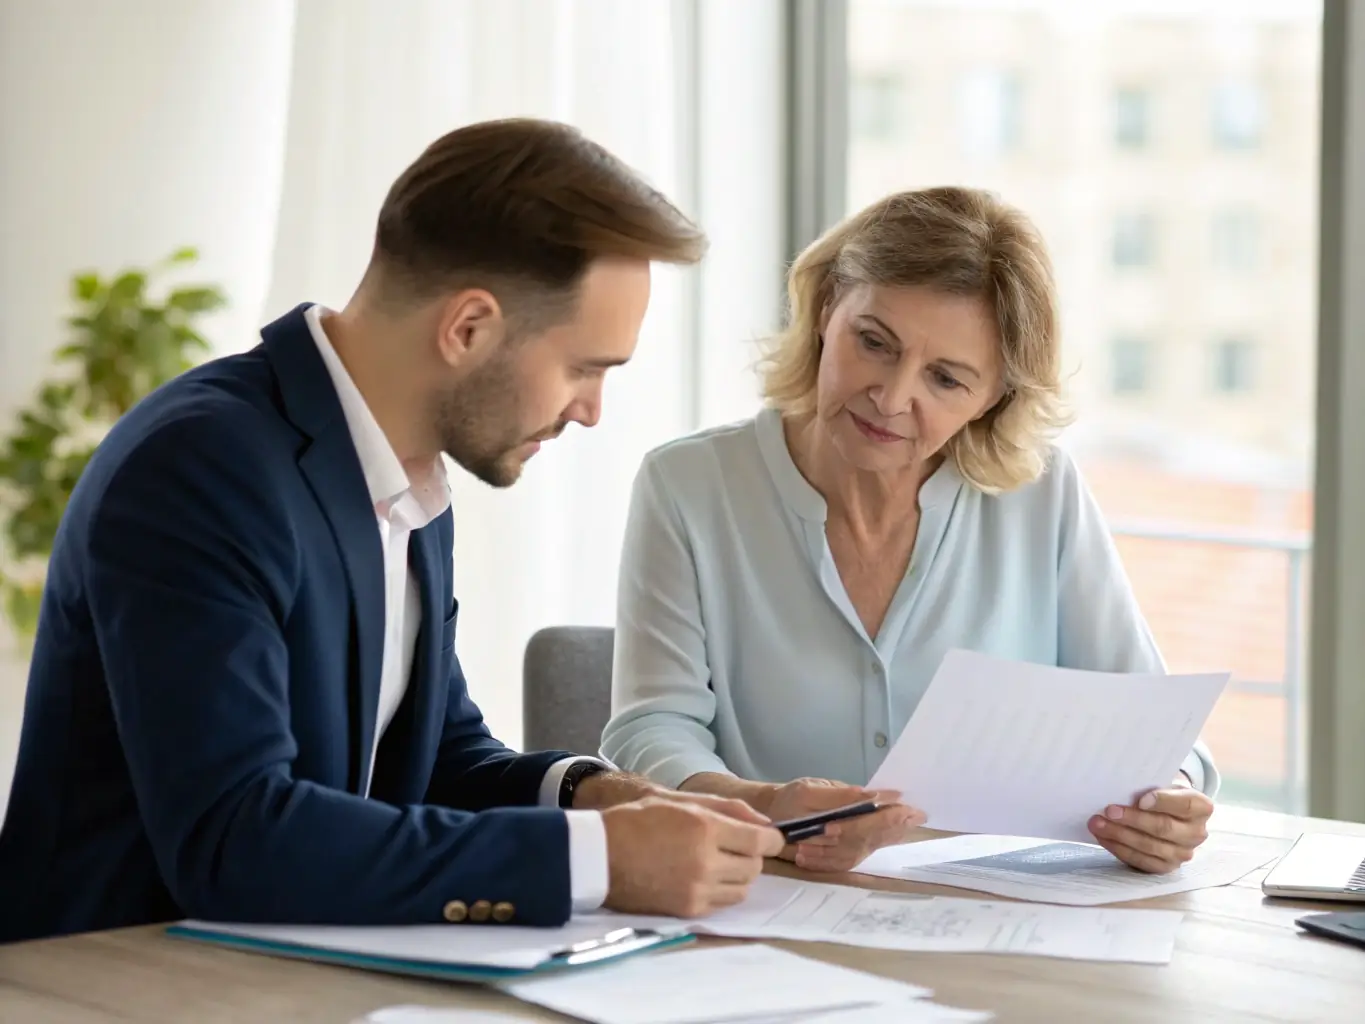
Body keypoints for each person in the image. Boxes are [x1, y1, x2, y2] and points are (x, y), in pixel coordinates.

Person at [0, 118, 784, 945]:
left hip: (301, 966)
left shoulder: (404, 474)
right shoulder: (200, 470)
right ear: (468, 328)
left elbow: (435, 759)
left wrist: (596, 798)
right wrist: (593, 861)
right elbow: (233, 837)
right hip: (118, 978)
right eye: (585, 367)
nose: (590, 410)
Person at [602, 186, 1218, 877]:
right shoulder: (688, 484)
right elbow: (651, 727)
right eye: (873, 343)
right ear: (827, 306)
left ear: (993, 398)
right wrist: (760, 803)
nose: (892, 398)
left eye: (946, 379)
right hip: (766, 893)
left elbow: (1149, 724)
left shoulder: (1040, 494)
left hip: (993, 913)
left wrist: (1171, 803)